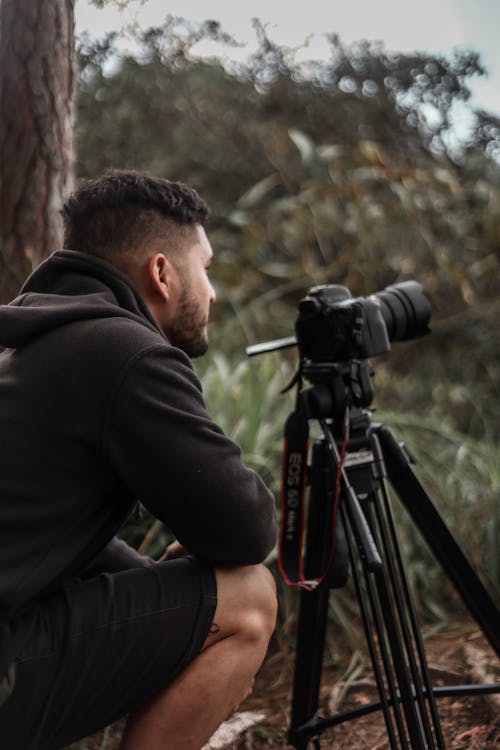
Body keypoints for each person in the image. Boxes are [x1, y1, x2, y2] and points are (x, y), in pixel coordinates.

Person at [0, 170, 278, 750]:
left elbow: (45, 532)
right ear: (161, 272)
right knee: (248, 599)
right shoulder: (127, 354)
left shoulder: (31, 345)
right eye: (206, 269)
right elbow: (247, 530)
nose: (213, 292)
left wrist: (154, 588)